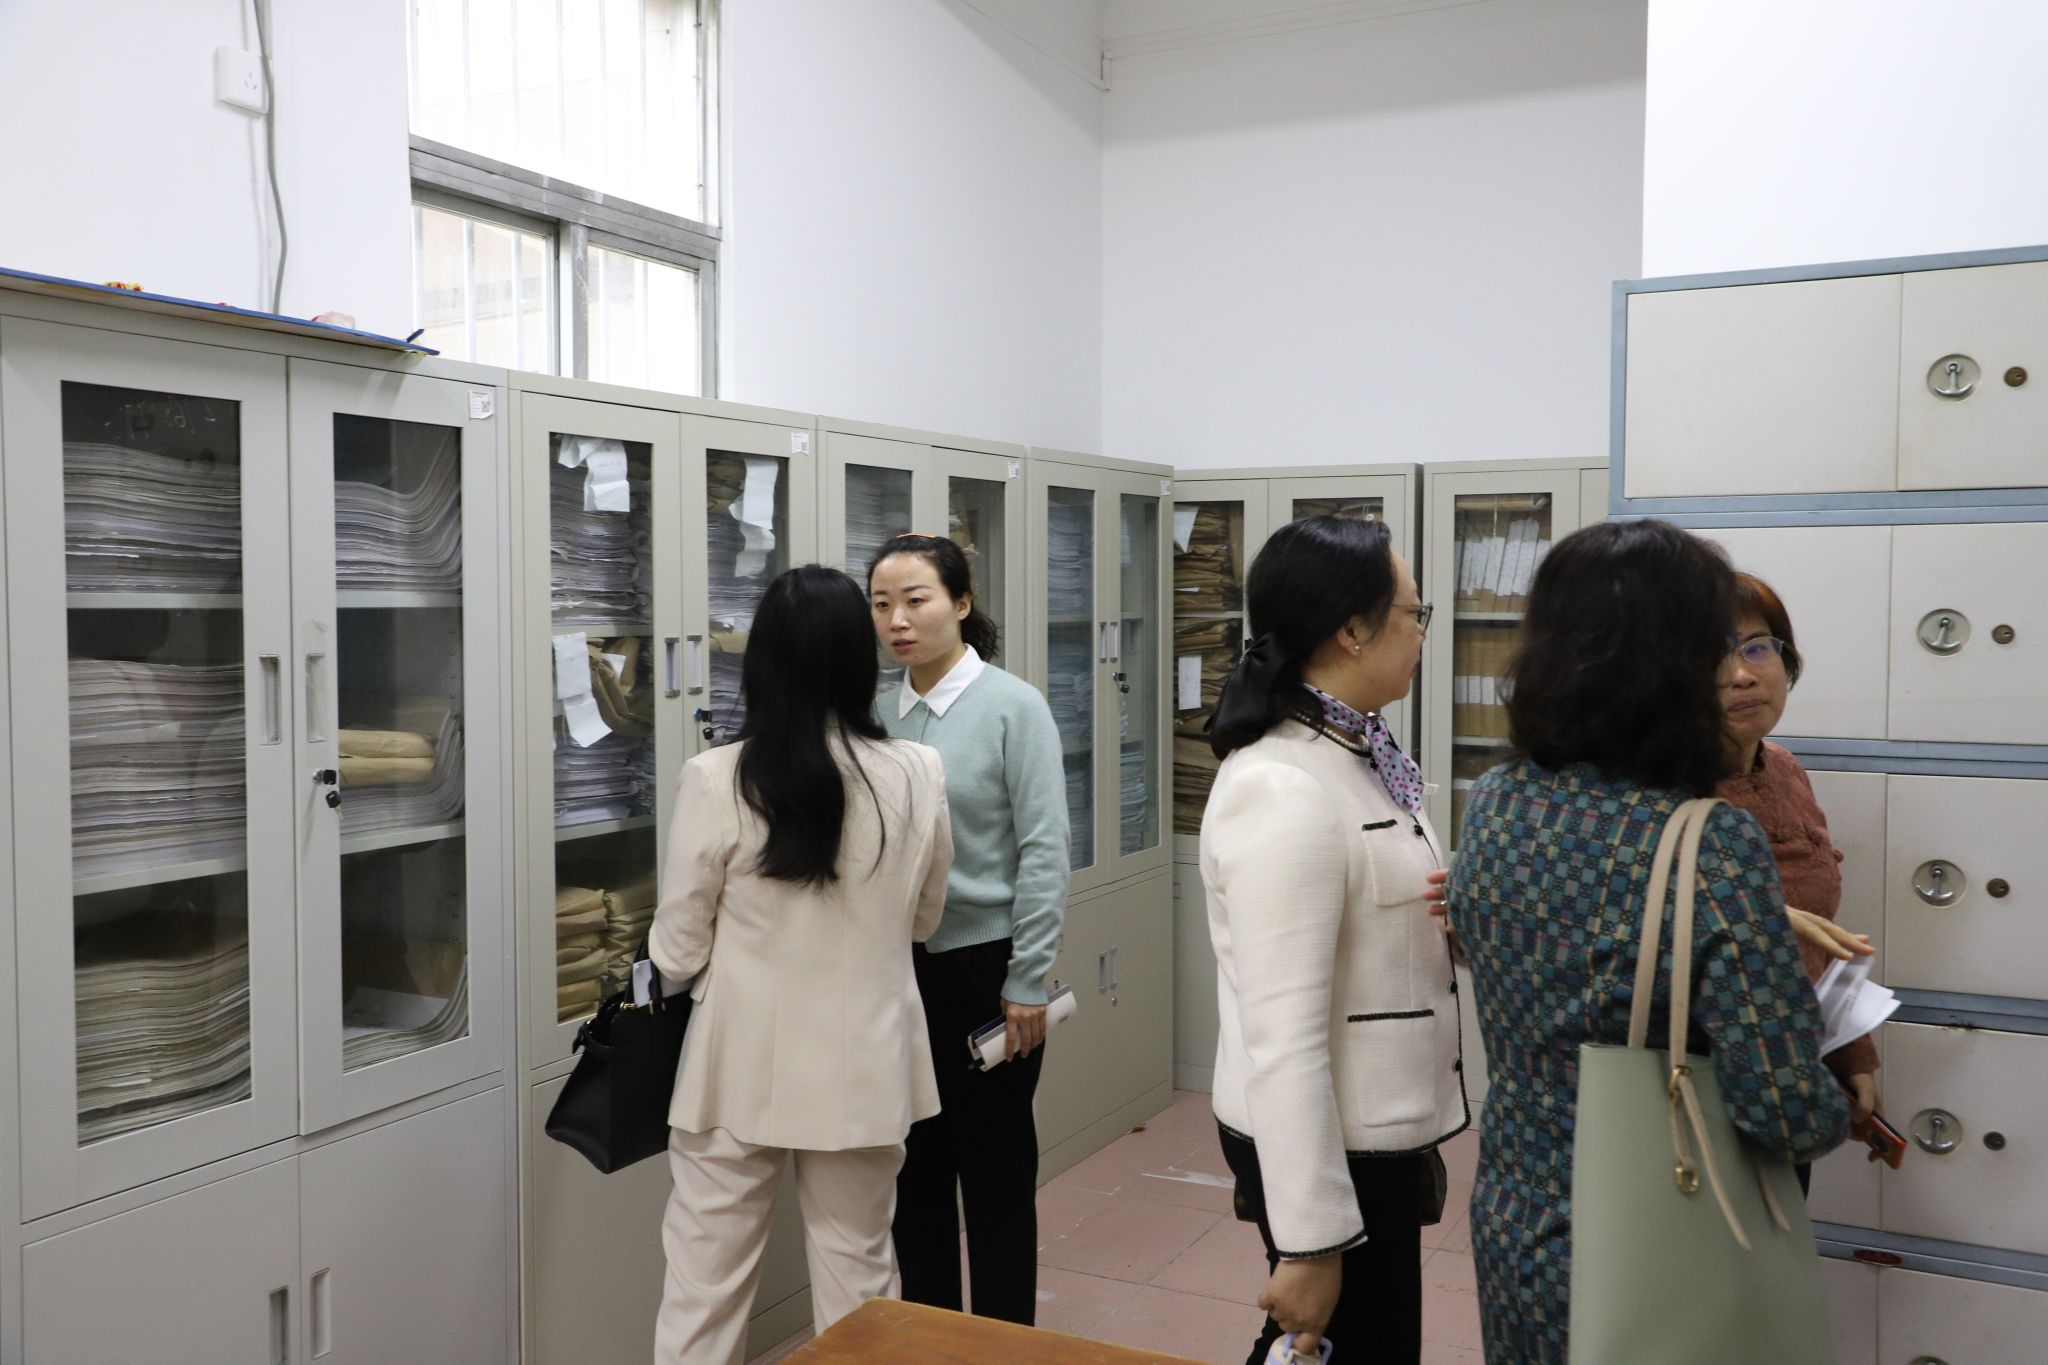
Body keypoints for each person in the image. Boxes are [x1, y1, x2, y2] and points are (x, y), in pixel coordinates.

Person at [1444, 520, 1850, 1365]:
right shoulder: (1710, 841)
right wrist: (1837, 1100)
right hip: (1651, 1242)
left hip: (1517, 1225)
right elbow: (1784, 1112)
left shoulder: (1496, 798)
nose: (1734, 670)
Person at [648, 564, 954, 1365]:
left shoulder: (717, 777)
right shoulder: (917, 771)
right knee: (861, 1285)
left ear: (761, 662)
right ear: (860, 657)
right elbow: (925, 918)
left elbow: (677, 948)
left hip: (735, 1069)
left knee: (704, 1288)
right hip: (864, 1065)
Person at [1199, 515, 1466, 1365]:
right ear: (1352, 629)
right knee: (1333, 1342)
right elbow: (1280, 1034)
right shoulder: (1282, 785)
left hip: (1368, 1123)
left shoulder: (1355, 748)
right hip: (1328, 1141)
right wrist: (1310, 1241)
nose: (1422, 631)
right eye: (1414, 613)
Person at [868, 532, 1069, 1325]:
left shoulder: (1014, 706)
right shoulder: (876, 711)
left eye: (915, 600)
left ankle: (1003, 1339)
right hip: (897, 969)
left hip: (988, 969)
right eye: (882, 604)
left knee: (995, 1175)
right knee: (913, 1171)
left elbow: (1045, 848)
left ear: (960, 602)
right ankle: (932, 1334)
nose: (898, 620)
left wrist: (1029, 977)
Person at [1717, 570, 1880, 1192]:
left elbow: (1818, 933)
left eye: (1757, 647)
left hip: (1793, 1074)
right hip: (1706, 1089)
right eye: (1710, 657)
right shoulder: (1660, 791)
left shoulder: (1785, 769)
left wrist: (1850, 1052)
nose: (1742, 675)